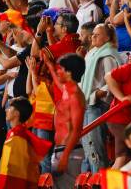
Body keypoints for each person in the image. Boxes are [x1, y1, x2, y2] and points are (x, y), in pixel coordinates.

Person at [79, 23, 122, 172]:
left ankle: (100, 180)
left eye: (98, 34)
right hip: (87, 104)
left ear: (108, 37)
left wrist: (96, 94)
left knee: (96, 148)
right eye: (93, 34)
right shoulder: (92, 52)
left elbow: (113, 82)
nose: (93, 36)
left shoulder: (108, 54)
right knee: (88, 149)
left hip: (98, 105)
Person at [44, 53, 86, 188]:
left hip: (70, 153)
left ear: (69, 72)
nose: (58, 71)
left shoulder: (75, 96)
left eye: (60, 69)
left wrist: (65, 157)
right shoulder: (67, 90)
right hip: (61, 151)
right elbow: (58, 82)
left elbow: (77, 129)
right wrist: (50, 66)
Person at [0, 97, 53, 189]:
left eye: (10, 108)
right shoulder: (20, 133)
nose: (6, 110)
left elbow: (11, 168)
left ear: (17, 113)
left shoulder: (17, 135)